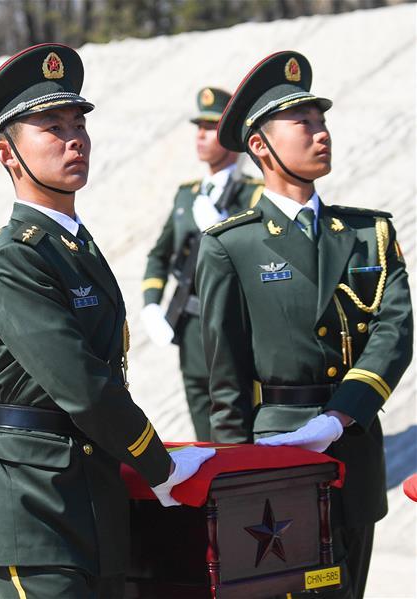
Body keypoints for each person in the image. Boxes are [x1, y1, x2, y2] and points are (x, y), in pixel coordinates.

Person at [0, 43, 215, 598]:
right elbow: (81, 381)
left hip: (87, 497)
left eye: (78, 123)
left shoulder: (71, 244)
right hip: (29, 507)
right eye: (51, 128)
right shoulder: (14, 257)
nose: (74, 138)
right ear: (8, 155)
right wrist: (158, 461)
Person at [197, 51, 413, 599]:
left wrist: (343, 415)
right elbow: (225, 383)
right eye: (304, 123)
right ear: (261, 146)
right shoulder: (232, 246)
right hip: (278, 456)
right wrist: (234, 479)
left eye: (322, 121)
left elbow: (395, 330)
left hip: (355, 447)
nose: (321, 134)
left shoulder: (370, 234)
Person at [140, 87, 263, 441]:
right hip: (190, 324)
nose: (201, 136)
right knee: (201, 417)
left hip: (234, 324)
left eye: (210, 128)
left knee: (239, 423)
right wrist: (151, 304)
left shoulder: (252, 194)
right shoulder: (187, 194)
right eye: (199, 128)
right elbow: (159, 255)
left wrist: (221, 226)